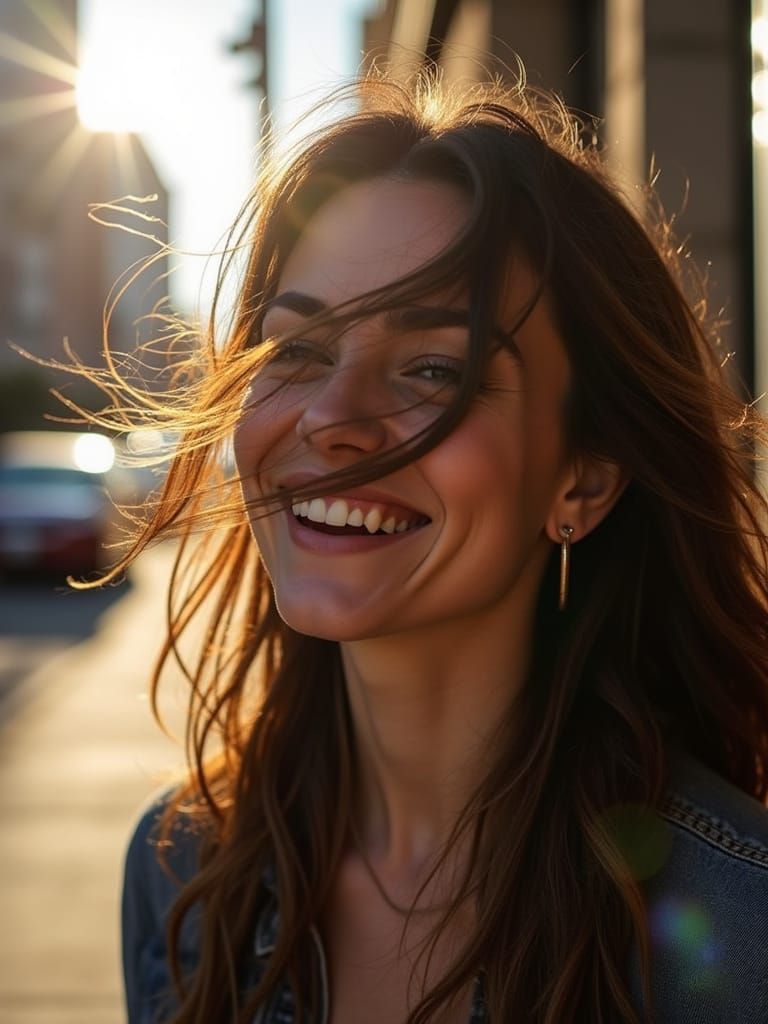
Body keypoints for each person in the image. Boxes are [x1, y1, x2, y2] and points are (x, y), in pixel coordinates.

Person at [104, 70, 768, 1023]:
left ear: (582, 478)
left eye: (431, 369)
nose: (332, 419)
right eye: (296, 351)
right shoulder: (182, 873)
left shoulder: (738, 935)